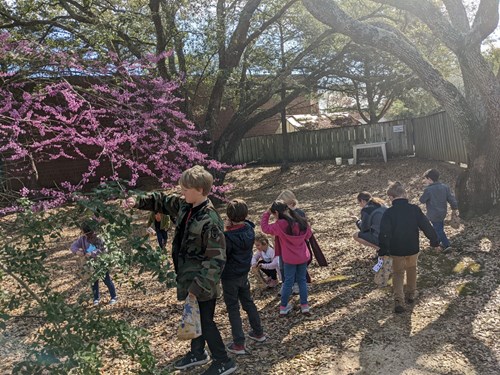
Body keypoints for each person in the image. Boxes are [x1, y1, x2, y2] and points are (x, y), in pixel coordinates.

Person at [122, 165, 236, 375]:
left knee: (206, 321)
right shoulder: (185, 206)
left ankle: (223, 360)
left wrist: (198, 287)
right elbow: (162, 201)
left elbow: (216, 259)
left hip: (202, 282)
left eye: (186, 188)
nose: (181, 191)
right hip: (187, 276)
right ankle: (198, 353)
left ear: (200, 190)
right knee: (195, 317)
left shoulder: (210, 221)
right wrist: (136, 201)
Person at [379, 182, 439, 314]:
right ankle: (411, 294)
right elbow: (426, 226)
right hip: (412, 247)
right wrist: (434, 241)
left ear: (391, 197)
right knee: (412, 269)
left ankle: (399, 300)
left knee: (398, 274)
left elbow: (384, 233)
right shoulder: (414, 209)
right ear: (404, 194)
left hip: (396, 249)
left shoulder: (389, 213)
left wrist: (383, 250)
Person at [221, 199, 267, 355]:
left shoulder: (227, 237)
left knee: (233, 308)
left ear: (229, 216)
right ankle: (258, 332)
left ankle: (239, 343)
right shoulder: (249, 229)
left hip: (229, 276)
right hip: (243, 273)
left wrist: (226, 228)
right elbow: (246, 224)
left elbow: (223, 255)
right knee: (248, 302)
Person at [261, 200, 312, 316]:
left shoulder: (279, 225)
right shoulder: (300, 221)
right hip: (303, 256)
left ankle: (283, 307)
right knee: (302, 281)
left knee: (288, 282)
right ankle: (305, 306)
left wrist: (266, 213)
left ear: (276, 213)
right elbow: (308, 234)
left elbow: (265, 228)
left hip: (289, 258)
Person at [70, 220, 117, 306]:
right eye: (85, 234)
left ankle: (114, 296)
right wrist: (77, 251)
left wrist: (93, 253)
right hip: (90, 265)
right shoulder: (83, 239)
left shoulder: (99, 238)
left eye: (89, 234)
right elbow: (73, 246)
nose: (88, 236)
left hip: (101, 263)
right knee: (94, 281)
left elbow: (104, 250)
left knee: (106, 280)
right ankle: (96, 298)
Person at [419, 168, 459, 251]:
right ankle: (438, 241)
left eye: (425, 179)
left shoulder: (428, 190)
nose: (425, 181)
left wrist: (424, 194)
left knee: (438, 229)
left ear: (429, 179)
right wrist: (454, 207)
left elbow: (422, 200)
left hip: (433, 214)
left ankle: (446, 245)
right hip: (443, 212)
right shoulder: (445, 187)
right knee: (439, 227)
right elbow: (451, 198)